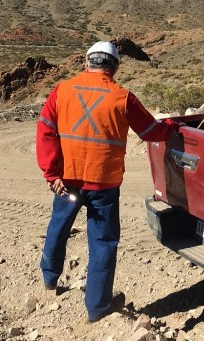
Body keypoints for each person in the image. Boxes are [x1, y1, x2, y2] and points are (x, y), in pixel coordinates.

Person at [36, 41, 179, 322]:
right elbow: (151, 132)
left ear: (86, 63)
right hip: (104, 184)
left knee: (58, 227)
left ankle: (50, 280)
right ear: (114, 67)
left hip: (67, 181)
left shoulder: (62, 90)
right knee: (102, 242)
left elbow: (45, 130)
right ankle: (98, 307)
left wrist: (51, 174)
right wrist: (174, 127)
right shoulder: (122, 97)